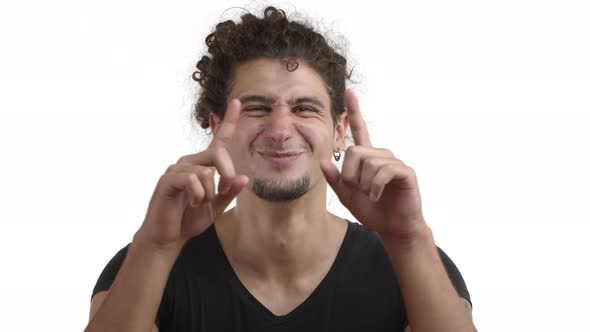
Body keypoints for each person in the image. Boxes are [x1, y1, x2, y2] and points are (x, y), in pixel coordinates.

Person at [86, 6, 476, 332]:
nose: (280, 130)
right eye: (257, 108)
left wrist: (409, 240)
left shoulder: (413, 265)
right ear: (218, 127)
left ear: (339, 131)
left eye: (304, 108)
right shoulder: (148, 265)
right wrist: (155, 246)